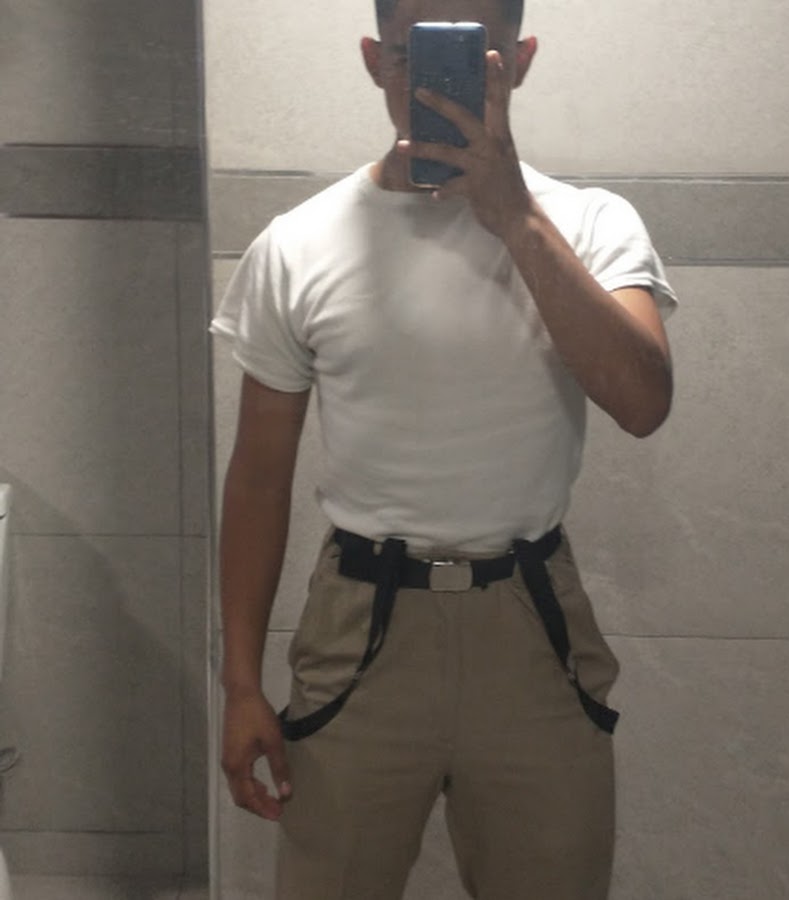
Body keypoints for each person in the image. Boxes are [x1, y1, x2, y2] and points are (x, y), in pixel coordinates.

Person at [211, 0, 677, 897]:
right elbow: (259, 480)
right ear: (372, 60)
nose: (432, 86)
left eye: (475, 57)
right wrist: (240, 685)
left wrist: (515, 217)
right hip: (360, 621)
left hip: (532, 622)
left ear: (520, 61)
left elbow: (643, 401)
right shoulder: (297, 244)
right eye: (407, 55)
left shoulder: (591, 223)